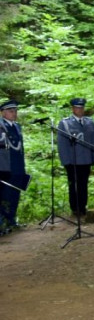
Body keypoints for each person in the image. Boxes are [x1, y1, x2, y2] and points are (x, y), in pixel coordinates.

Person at [57, 98, 94, 217]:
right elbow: (62, 144)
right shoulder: (65, 123)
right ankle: (74, 208)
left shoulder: (89, 122)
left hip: (86, 159)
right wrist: (65, 161)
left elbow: (93, 141)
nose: (80, 110)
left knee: (83, 184)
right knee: (73, 185)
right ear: (72, 109)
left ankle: (82, 206)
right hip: (72, 160)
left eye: (81, 108)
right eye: (77, 108)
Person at [0, 100, 26, 235]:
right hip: (5, 167)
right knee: (4, 196)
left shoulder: (17, 126)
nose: (14, 113)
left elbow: (20, 149)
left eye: (15, 111)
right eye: (11, 111)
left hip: (18, 167)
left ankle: (11, 221)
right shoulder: (0, 126)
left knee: (15, 194)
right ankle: (2, 223)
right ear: (3, 112)